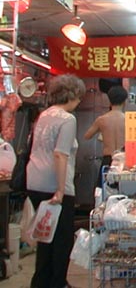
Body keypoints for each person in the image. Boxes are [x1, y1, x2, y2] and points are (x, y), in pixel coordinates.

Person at [26, 74, 86, 288]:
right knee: (61, 242)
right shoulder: (67, 119)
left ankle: (40, 282)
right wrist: (60, 191)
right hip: (55, 186)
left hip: (34, 182)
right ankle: (57, 282)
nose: (79, 101)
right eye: (79, 97)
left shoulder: (44, 116)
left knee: (45, 238)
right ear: (72, 95)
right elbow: (60, 154)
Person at [84, 85, 128, 186]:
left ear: (109, 100)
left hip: (108, 159)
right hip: (124, 160)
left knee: (103, 192)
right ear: (124, 101)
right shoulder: (128, 120)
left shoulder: (102, 120)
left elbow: (87, 136)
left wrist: (103, 132)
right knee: (122, 192)